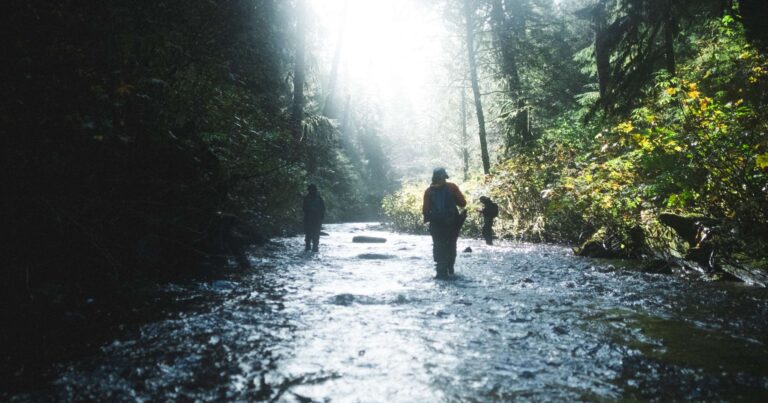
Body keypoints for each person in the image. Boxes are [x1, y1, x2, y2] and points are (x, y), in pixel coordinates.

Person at [423, 168, 467, 278]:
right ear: (445, 176)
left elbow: (425, 210)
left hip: (436, 225)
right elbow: (462, 203)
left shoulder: (428, 191)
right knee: (451, 245)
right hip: (452, 223)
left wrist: (429, 219)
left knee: (438, 245)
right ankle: (450, 267)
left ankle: (440, 268)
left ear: (434, 177)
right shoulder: (452, 187)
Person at [303, 184, 325, 252]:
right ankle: (308, 246)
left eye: (312, 189)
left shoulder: (319, 198)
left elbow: (323, 208)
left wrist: (321, 216)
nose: (311, 191)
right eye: (310, 189)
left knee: (316, 233)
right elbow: (303, 208)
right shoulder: (307, 198)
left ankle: (315, 246)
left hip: (316, 218)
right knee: (308, 233)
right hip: (309, 218)